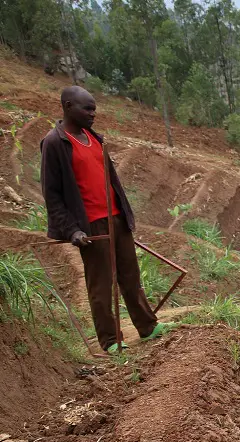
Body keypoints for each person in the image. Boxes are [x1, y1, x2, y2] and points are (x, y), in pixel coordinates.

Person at [40, 86, 172, 353]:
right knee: (101, 284)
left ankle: (147, 327)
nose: (93, 114)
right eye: (87, 109)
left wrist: (124, 214)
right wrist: (71, 230)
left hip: (116, 218)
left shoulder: (94, 138)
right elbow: (51, 194)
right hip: (90, 225)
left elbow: (109, 179)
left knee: (131, 276)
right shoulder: (55, 143)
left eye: (94, 109)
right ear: (67, 106)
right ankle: (110, 341)